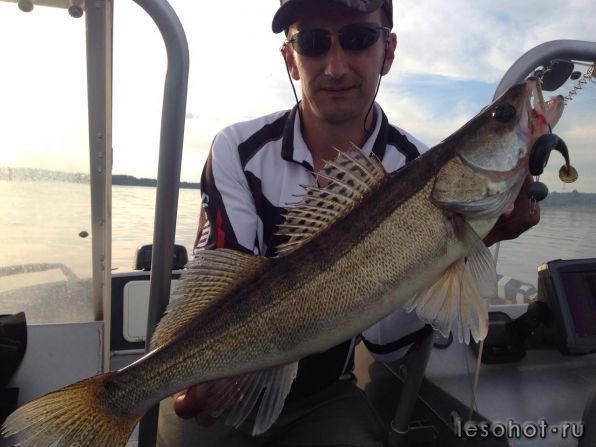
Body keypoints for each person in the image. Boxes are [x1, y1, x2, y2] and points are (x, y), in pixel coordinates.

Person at [157, 0, 540, 445]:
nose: (335, 67)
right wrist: (195, 370)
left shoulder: (414, 165)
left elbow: (384, 343)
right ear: (291, 59)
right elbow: (221, 284)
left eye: (358, 39)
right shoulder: (238, 149)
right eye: (313, 42)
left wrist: (472, 242)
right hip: (223, 376)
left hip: (326, 394)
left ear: (388, 52)